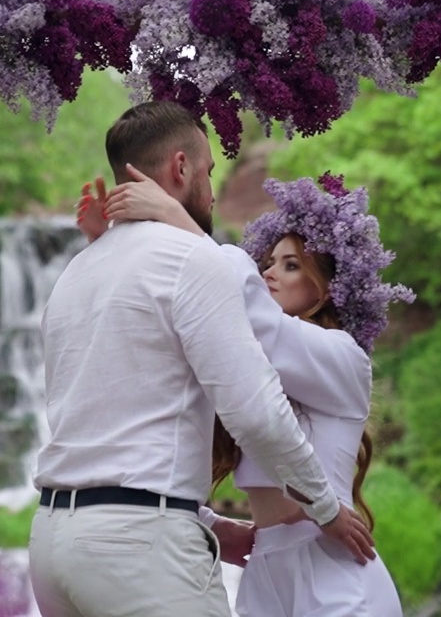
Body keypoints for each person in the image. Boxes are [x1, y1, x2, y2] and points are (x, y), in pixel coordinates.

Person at [29, 101, 375, 617]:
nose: (212, 189)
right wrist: (325, 508)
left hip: (52, 545)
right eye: (210, 171)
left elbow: (103, 435)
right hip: (139, 552)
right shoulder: (193, 259)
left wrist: (210, 526)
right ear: (181, 167)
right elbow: (255, 411)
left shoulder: (78, 272)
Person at [82, 166, 413, 616]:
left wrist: (171, 213)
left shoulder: (345, 360)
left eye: (291, 265)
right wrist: (107, 248)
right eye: (268, 262)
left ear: (327, 290)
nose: (269, 274)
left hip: (333, 566)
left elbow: (255, 313)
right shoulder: (240, 368)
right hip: (263, 568)